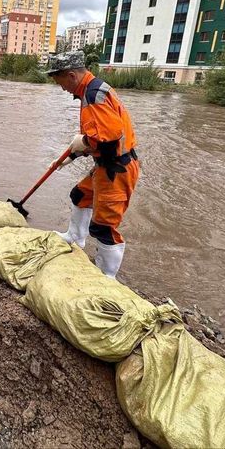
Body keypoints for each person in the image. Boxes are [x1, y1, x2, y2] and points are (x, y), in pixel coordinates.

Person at [46, 51, 139, 280]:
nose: (61, 88)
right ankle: (75, 237)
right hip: (105, 163)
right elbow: (99, 134)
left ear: (71, 75)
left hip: (116, 168)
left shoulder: (94, 94)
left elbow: (110, 135)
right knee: (80, 195)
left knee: (103, 228)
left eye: (60, 82)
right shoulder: (90, 90)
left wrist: (83, 142)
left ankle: (106, 277)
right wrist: (74, 155)